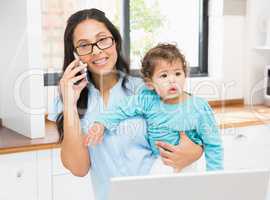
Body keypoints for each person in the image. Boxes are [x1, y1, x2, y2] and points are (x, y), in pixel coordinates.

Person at [47, 8, 204, 200]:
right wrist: (70, 104)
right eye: (84, 45)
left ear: (115, 41)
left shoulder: (147, 88)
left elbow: (193, 121)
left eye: (103, 39)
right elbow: (78, 168)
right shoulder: (67, 100)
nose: (97, 51)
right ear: (74, 53)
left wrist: (196, 151)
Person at [86, 43, 223, 174]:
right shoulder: (148, 100)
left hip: (187, 165)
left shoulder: (198, 107)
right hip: (159, 163)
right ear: (150, 83)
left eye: (177, 73)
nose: (172, 80)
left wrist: (215, 177)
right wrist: (102, 123)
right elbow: (121, 109)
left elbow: (213, 145)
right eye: (164, 75)